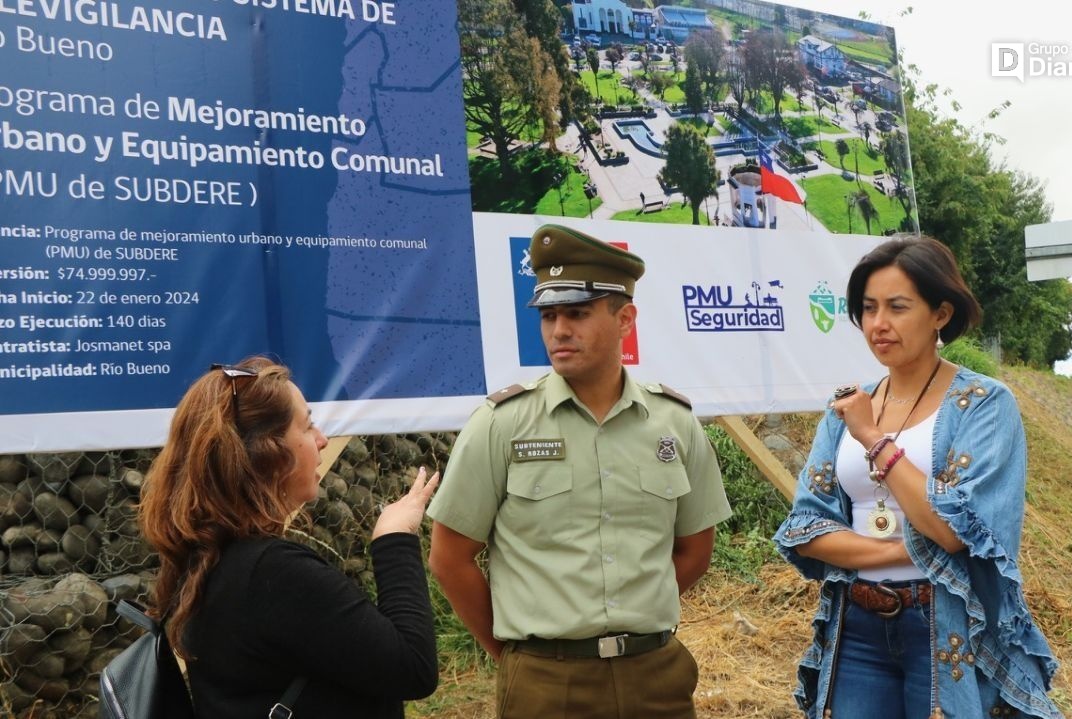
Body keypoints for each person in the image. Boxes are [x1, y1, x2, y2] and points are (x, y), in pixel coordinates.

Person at [428, 224, 732, 719]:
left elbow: (695, 549)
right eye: (548, 316)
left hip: (654, 675)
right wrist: (516, 656)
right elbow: (449, 558)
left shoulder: (673, 422)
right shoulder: (502, 424)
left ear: (625, 319)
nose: (559, 330)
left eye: (577, 313)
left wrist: (635, 614)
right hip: (547, 682)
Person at [773, 236, 1062, 718]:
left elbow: (955, 528)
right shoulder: (847, 406)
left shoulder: (985, 404)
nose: (878, 324)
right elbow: (808, 528)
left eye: (897, 307)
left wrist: (873, 438)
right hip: (857, 624)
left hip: (946, 623)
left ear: (940, 314)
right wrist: (905, 549)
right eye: (868, 308)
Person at [138, 357, 439, 718]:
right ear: (269, 450)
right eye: (308, 426)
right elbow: (413, 668)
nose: (322, 440)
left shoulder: (210, 556)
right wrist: (394, 538)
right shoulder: (274, 574)